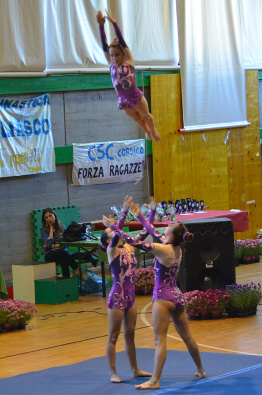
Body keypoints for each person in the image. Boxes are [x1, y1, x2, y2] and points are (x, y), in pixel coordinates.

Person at [103, 200, 206, 390]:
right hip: (177, 296)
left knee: (160, 340)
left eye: (169, 227)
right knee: (187, 336)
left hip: (163, 298)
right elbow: (152, 232)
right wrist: (143, 215)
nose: (165, 227)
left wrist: (114, 225)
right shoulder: (176, 247)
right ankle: (200, 369)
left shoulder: (161, 248)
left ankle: (155, 380)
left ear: (172, 235)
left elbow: (135, 240)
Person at [100, 196, 156, 383]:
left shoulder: (130, 246)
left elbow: (147, 231)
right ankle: (113, 372)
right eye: (112, 231)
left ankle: (135, 369)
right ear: (108, 240)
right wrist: (123, 212)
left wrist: (152, 212)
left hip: (130, 296)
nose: (116, 231)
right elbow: (117, 233)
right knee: (114, 336)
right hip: (117, 296)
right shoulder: (112, 250)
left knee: (130, 334)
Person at [96, 10, 161, 142]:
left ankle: (153, 131)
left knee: (146, 116)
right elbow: (104, 45)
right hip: (123, 100)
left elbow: (122, 42)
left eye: (117, 55)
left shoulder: (129, 61)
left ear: (123, 54)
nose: (114, 58)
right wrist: (101, 26)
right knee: (137, 118)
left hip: (135, 96)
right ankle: (147, 131)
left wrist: (114, 24)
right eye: (112, 55)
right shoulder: (111, 64)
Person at [41, 208, 89, 281]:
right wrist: (51, 230)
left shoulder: (62, 227)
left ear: (54, 215)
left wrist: (54, 245)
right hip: (49, 254)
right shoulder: (43, 230)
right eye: (46, 218)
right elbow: (49, 243)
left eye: (50, 216)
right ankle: (78, 270)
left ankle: (66, 282)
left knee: (64, 260)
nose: (49, 219)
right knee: (63, 253)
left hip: (62, 253)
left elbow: (67, 242)